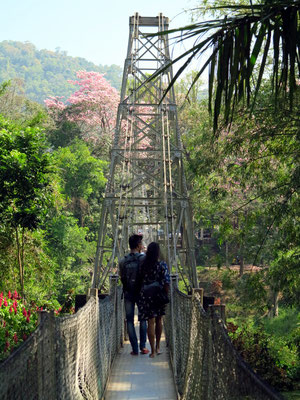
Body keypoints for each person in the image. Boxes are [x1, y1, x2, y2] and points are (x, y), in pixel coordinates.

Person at [138, 242, 170, 358]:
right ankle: (158, 346)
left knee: (150, 322)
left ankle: (152, 351)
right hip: (159, 295)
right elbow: (167, 282)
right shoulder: (162, 265)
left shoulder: (143, 265)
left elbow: (139, 281)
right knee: (159, 320)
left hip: (146, 296)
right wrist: (165, 295)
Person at [119, 234, 149, 355]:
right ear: (138, 245)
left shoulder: (123, 261)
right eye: (141, 243)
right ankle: (143, 347)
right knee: (143, 319)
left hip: (128, 293)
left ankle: (134, 349)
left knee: (130, 320)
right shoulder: (144, 259)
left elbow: (121, 277)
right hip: (142, 293)